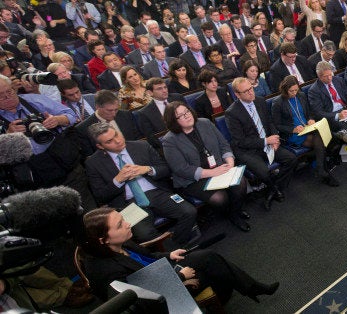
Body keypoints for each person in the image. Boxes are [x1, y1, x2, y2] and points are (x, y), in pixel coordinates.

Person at [80, 207, 279, 304]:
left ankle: (250, 288)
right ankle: (246, 290)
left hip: (162, 272)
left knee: (208, 257)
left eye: (123, 220)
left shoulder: (120, 241)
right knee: (211, 267)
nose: (128, 224)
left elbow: (146, 257)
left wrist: (169, 254)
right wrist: (180, 279)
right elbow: (140, 298)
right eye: (120, 224)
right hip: (160, 297)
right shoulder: (105, 272)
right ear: (102, 240)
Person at [84, 123, 199, 246]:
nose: (117, 141)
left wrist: (148, 169)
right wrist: (118, 180)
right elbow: (100, 196)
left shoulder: (141, 146)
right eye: (109, 141)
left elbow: (166, 169)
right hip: (129, 204)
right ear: (100, 146)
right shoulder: (93, 163)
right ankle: (172, 251)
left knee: (189, 212)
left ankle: (175, 247)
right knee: (144, 234)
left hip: (157, 193)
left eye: (116, 135)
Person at [0, 75, 96, 209]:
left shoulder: (34, 100)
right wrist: (8, 136)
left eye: (9, 91)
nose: (7, 97)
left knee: (88, 210)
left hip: (66, 167)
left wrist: (57, 120)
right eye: (1, 96)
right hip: (35, 183)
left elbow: (71, 115)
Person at [161, 102, 252, 232]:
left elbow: (223, 144)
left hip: (219, 168)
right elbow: (181, 169)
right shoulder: (169, 140)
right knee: (220, 198)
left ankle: (235, 211)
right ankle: (231, 214)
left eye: (187, 111)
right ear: (173, 121)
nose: (187, 116)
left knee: (241, 183)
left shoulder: (205, 123)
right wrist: (212, 173)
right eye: (180, 115)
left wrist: (230, 163)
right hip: (194, 179)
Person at [225, 77, 298, 210]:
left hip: (268, 142)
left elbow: (269, 122)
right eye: (246, 91)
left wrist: (275, 138)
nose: (251, 92)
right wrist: (265, 141)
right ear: (237, 94)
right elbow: (240, 141)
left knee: (291, 158)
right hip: (248, 150)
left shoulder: (260, 101)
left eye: (251, 88)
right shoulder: (232, 113)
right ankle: (275, 190)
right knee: (264, 172)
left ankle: (273, 189)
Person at [272, 76, 339, 186]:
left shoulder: (301, 95)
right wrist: (293, 129)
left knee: (323, 137)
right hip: (294, 133)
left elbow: (309, 113)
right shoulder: (278, 102)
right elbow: (277, 125)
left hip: (307, 127)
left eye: (296, 90)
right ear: (285, 89)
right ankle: (322, 171)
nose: (294, 93)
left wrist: (310, 119)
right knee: (321, 139)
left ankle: (318, 165)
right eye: (291, 91)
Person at [75, 90, 142, 157]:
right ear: (97, 107)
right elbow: (90, 157)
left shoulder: (126, 115)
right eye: (109, 110)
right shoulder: (83, 128)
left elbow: (138, 139)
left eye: (116, 109)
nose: (114, 114)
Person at [136, 77, 186, 149]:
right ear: (150, 93)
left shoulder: (178, 98)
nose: (164, 90)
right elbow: (152, 138)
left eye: (165, 87)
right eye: (159, 89)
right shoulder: (144, 113)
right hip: (169, 146)